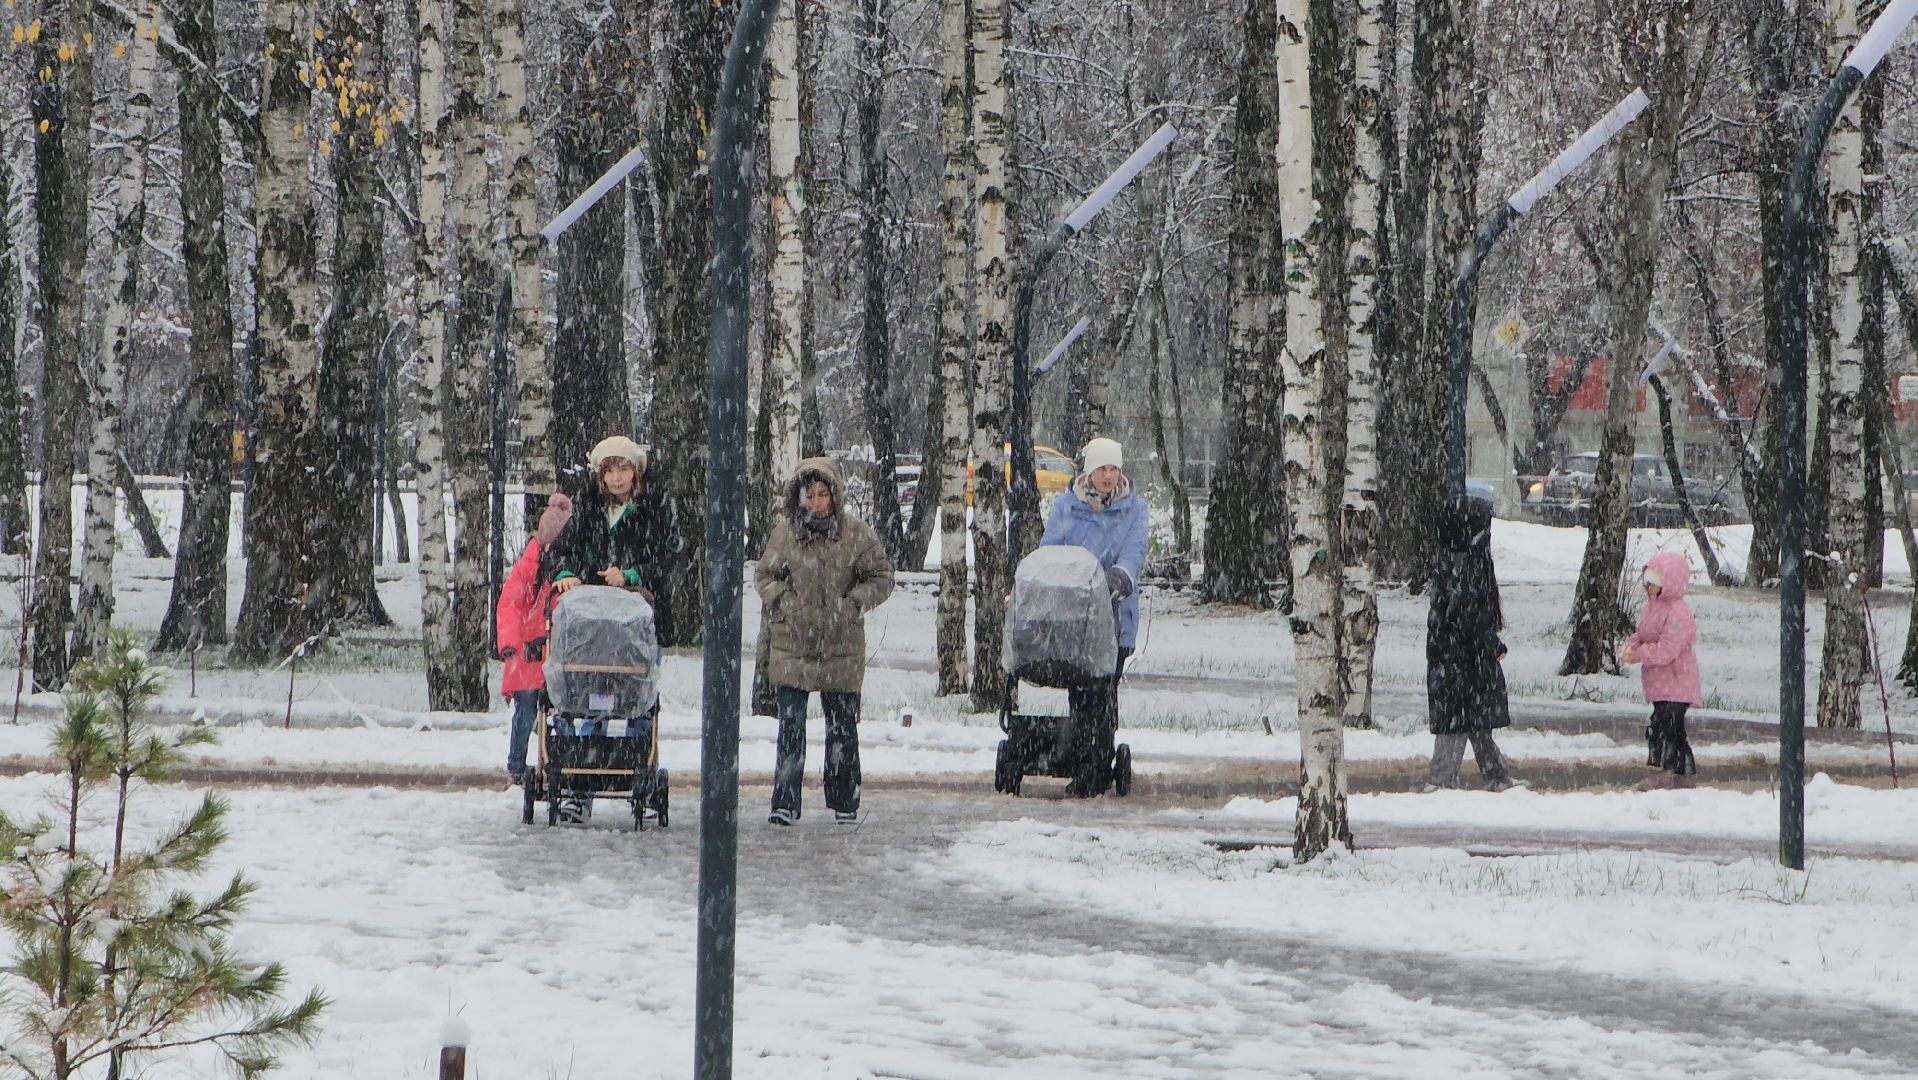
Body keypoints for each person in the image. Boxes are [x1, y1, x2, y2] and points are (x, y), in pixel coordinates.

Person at [755, 457, 895, 826]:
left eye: (823, 494)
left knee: (842, 728)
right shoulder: (784, 534)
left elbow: (881, 577)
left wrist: (853, 604)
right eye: (810, 495)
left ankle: (845, 800)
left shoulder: (857, 534)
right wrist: (784, 603)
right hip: (792, 644)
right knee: (791, 727)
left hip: (841, 645)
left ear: (835, 495)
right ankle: (784, 801)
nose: (817, 502)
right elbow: (765, 576)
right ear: (798, 497)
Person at [1040, 436, 1149, 797]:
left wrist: (1120, 577)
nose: (1108, 475)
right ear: (1090, 471)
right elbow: (1051, 549)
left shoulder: (1134, 510)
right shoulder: (1067, 507)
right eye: (1102, 468)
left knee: (1102, 691)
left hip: (1116, 615)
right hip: (1075, 618)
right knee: (1080, 690)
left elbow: (1135, 551)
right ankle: (1086, 757)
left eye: (1113, 468)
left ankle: (1094, 767)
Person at [1423, 494, 1522, 792]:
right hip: (1465, 659)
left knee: (1471, 719)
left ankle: (1495, 775)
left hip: (1450, 657)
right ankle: (1443, 780)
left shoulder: (1449, 561)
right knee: (1463, 720)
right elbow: (1471, 614)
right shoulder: (1471, 564)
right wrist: (1491, 646)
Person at [495, 494, 574, 784]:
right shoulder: (528, 570)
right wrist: (512, 645)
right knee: (527, 709)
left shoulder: (566, 571)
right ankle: (517, 766)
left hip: (557, 656)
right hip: (531, 655)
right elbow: (510, 606)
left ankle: (565, 761)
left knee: (564, 711)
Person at [1622, 551, 1702, 790]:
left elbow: (1668, 649)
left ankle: (1664, 773)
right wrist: (1632, 645)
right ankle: (1681, 773)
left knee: (1665, 727)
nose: (1648, 587)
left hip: (1677, 682)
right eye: (1646, 582)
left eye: (1653, 583)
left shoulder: (1678, 612)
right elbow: (1644, 634)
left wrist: (1640, 654)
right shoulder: (1651, 609)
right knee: (1670, 729)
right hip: (1660, 683)